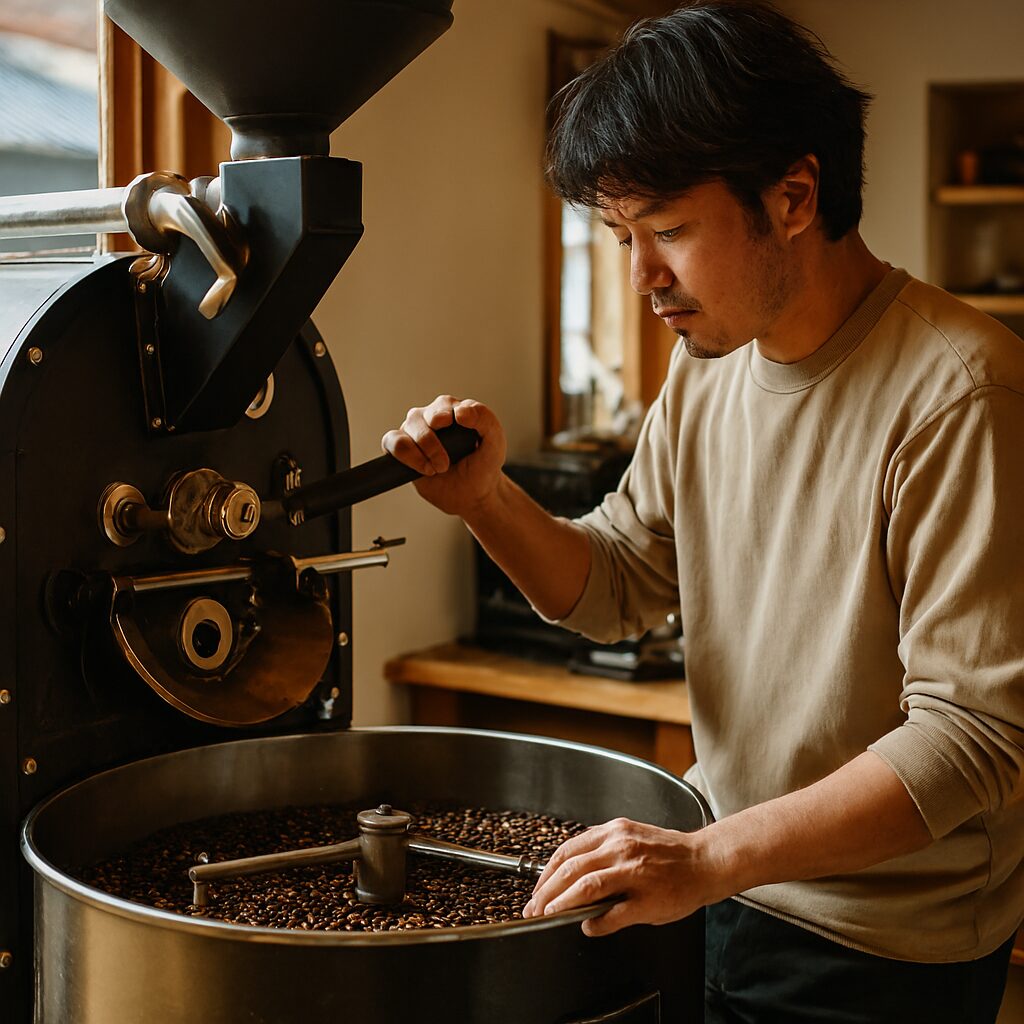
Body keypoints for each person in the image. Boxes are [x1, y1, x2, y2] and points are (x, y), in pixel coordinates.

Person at [382, 2, 1024, 1020]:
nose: (642, 278)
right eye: (621, 237)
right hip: (721, 889)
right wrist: (484, 499)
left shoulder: (960, 389)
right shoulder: (706, 370)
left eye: (668, 231)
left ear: (794, 196)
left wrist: (704, 855)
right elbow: (619, 588)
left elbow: (970, 739)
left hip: (882, 948)